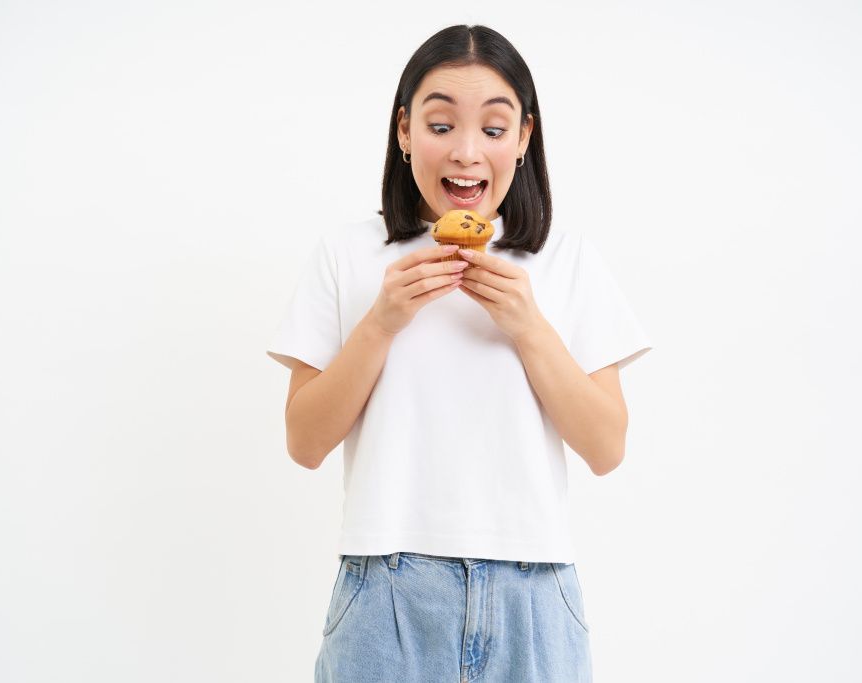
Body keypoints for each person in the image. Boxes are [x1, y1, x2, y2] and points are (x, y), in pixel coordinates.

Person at [267, 24, 653, 682]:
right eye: (441, 124)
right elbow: (304, 440)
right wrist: (381, 321)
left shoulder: (564, 260)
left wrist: (528, 325)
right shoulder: (349, 255)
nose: (466, 152)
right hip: (384, 589)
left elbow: (606, 446)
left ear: (525, 138)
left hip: (533, 590)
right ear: (404, 131)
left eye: (494, 129)